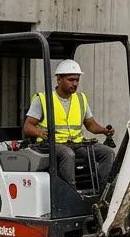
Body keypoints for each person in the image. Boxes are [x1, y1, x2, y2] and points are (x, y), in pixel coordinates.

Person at [22, 59, 116, 189]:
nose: (75, 83)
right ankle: (70, 193)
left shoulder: (81, 99)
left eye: (77, 80)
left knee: (107, 152)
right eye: (71, 80)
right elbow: (28, 127)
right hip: (50, 145)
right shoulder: (43, 99)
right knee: (67, 154)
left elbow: (90, 125)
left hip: (77, 144)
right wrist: (39, 132)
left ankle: (104, 191)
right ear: (59, 79)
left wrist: (104, 130)